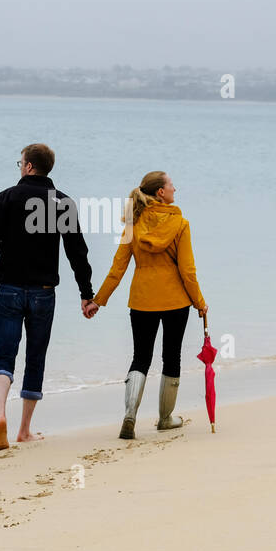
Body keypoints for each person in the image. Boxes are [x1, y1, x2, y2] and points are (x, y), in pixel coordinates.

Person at [0, 143, 95, 450]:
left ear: (27, 167)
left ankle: (0, 415)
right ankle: (24, 430)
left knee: (4, 357)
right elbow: (77, 252)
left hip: (9, 289)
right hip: (44, 293)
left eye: (19, 163)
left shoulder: (7, 197)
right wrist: (86, 293)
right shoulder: (62, 203)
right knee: (35, 358)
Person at [85, 171, 206, 439]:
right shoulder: (180, 224)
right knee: (171, 356)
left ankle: (130, 414)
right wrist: (199, 302)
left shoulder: (132, 224)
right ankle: (165, 419)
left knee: (141, 357)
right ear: (160, 192)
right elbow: (187, 271)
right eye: (171, 184)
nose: (175, 187)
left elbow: (118, 268)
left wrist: (98, 301)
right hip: (176, 301)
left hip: (142, 300)